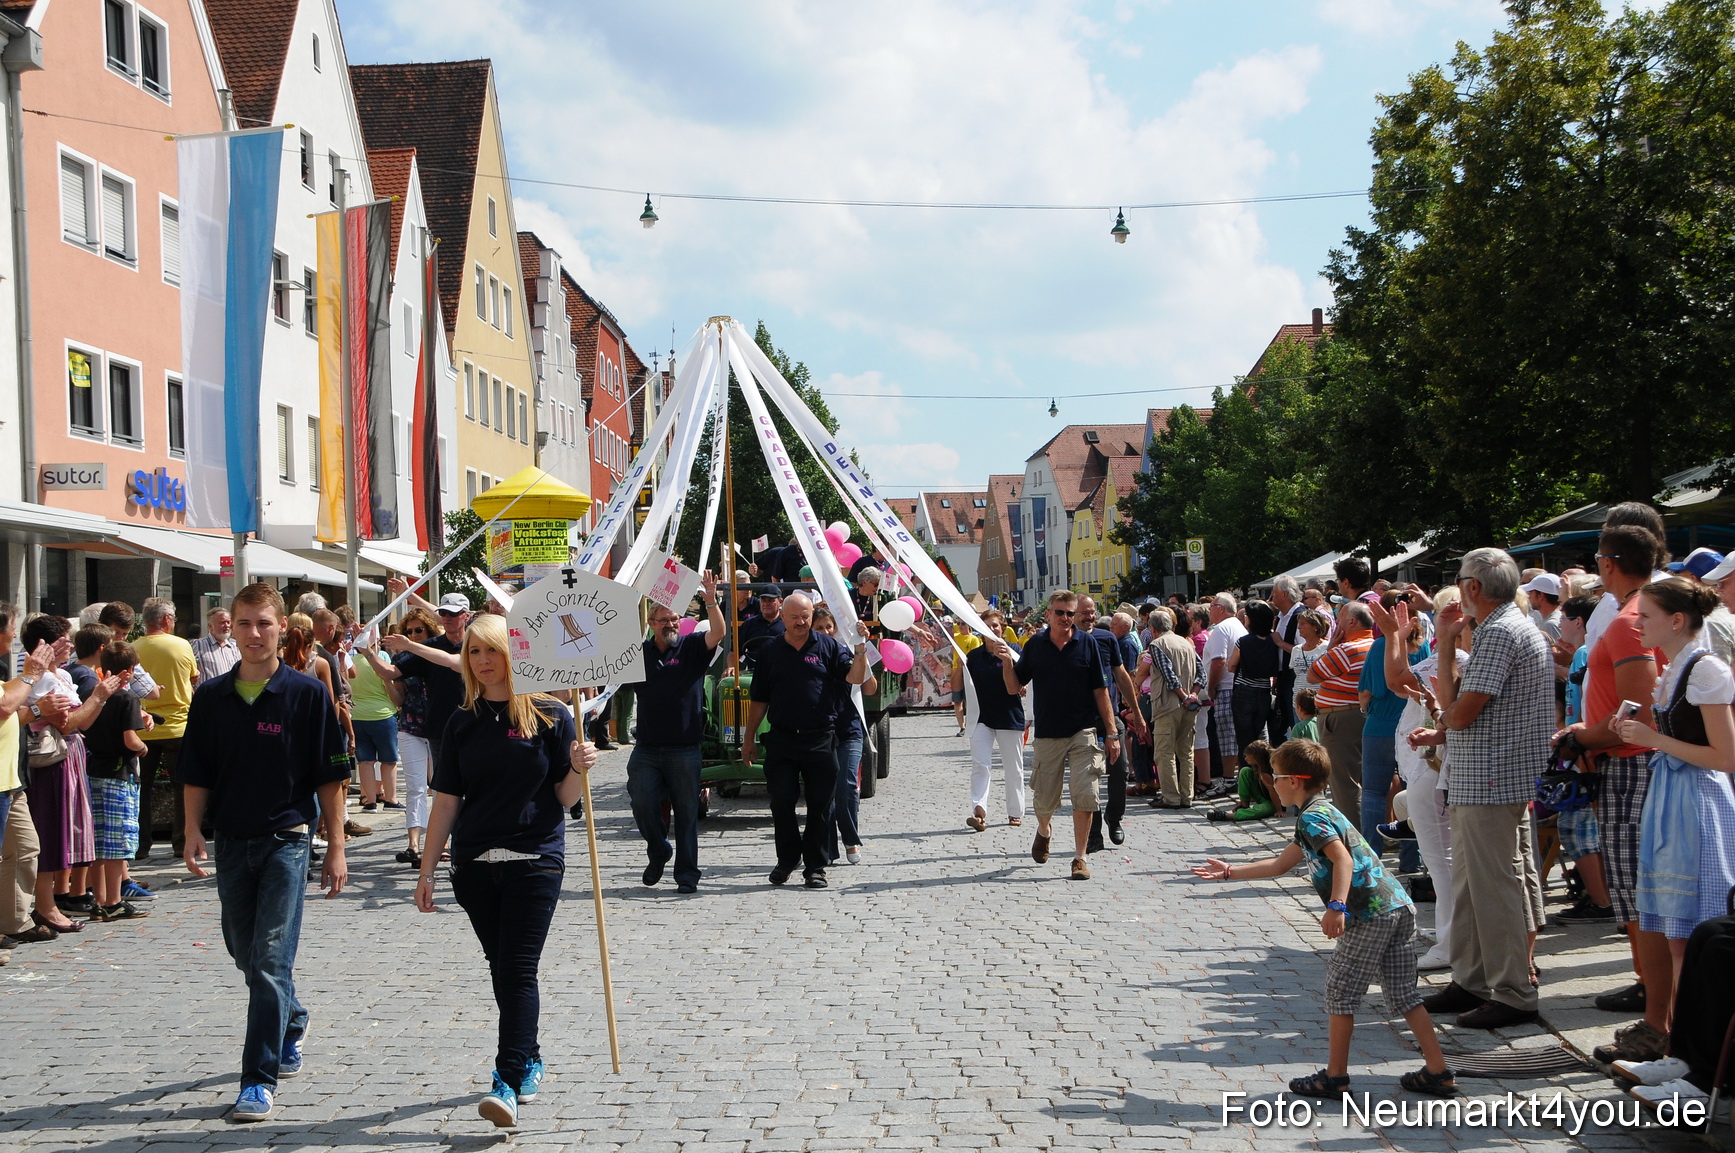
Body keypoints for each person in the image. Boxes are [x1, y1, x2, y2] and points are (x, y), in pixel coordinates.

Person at [1191, 738, 1455, 1099]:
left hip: (1369, 914)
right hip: (1396, 907)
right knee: (1404, 994)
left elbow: (1343, 860)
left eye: (1275, 776)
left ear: (1295, 780)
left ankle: (1335, 1077)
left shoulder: (1314, 818)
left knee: (1340, 994)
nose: (1271, 781)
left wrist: (1337, 906)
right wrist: (1229, 872)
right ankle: (1438, 1072)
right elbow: (1280, 865)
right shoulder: (1320, 812)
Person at [177, 583, 352, 1122]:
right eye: (245, 624)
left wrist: (337, 846)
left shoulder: (305, 694)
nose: (254, 635)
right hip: (230, 841)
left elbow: (330, 777)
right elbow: (196, 771)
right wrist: (190, 829)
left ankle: (258, 1079)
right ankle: (292, 1019)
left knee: (272, 957)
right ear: (231, 626)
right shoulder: (210, 697)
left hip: (287, 840)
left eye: (264, 624)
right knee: (244, 951)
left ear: (283, 629)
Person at [416, 613, 596, 1128]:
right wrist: (427, 870)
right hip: (474, 865)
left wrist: (579, 769)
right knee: (504, 972)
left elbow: (562, 798)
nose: (484, 661)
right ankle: (531, 1055)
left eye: (492, 650)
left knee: (517, 970)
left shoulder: (552, 714)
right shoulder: (460, 720)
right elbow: (447, 801)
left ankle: (507, 1077)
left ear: (516, 653)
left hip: (535, 859)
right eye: (475, 652)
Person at [1419, 548, 1552, 1031]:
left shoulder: (1498, 632)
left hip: (1489, 779)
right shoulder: (1513, 627)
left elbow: (1459, 711)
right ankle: (1472, 980)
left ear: (1474, 588)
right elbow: (1456, 709)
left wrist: (1444, 709)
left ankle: (1512, 991)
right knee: (1473, 886)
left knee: (1492, 888)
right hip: (1489, 776)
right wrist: (1447, 646)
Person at [1614, 580, 1735, 1028]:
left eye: (1646, 616)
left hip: (1699, 804)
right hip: (1673, 799)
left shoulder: (1705, 670)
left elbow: (1726, 757)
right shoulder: (1677, 667)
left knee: (1692, 934)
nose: (1637, 623)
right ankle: (1680, 1045)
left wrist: (1654, 739)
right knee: (1675, 934)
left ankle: (1691, 1051)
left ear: (1677, 620)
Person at [1572, 524, 1670, 1048]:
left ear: (1609, 563)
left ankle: (1658, 1021)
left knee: (1638, 894)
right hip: (1631, 762)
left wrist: (1579, 736)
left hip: (1631, 764)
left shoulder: (1632, 619)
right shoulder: (1640, 612)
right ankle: (1655, 1007)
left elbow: (1639, 708)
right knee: (1637, 893)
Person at [741, 592, 870, 889]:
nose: (801, 622)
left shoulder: (828, 646)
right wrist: (749, 738)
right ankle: (787, 859)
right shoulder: (771, 650)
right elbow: (759, 699)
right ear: (783, 618)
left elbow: (855, 678)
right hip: (782, 740)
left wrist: (861, 650)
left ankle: (815, 867)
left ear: (812, 615)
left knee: (820, 806)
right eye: (795, 617)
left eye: (806, 616)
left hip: (820, 739)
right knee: (781, 802)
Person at [988, 590, 1119, 882]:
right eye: (1059, 612)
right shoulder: (1036, 645)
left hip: (1082, 730)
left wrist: (1111, 732)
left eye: (1070, 613)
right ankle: (1044, 830)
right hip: (1048, 732)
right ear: (1048, 614)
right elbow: (1013, 687)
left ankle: (1080, 857)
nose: (1065, 618)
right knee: (1044, 800)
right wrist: (1008, 663)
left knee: (1086, 794)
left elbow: (1102, 691)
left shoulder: (1088, 644)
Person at [628, 574, 725, 894]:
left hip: (685, 748)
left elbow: (720, 632)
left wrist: (710, 599)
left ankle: (687, 874)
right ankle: (658, 849)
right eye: (664, 620)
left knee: (686, 814)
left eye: (674, 619)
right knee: (642, 802)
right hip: (647, 748)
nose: (670, 624)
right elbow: (606, 662)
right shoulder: (637, 653)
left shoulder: (693, 647)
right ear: (651, 623)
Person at [363, 609, 440, 867]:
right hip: (411, 727)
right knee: (416, 787)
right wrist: (386, 680)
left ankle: (443, 842)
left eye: (419, 630)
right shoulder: (403, 659)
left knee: (441, 787)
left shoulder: (440, 654)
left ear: (429, 630)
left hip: (441, 729)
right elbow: (399, 700)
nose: (414, 635)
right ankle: (414, 845)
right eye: (409, 631)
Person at [1358, 591, 1429, 867]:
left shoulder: (1380, 645)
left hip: (1381, 726)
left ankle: (1370, 860)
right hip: (1413, 726)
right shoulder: (1423, 646)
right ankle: (1411, 859)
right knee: (1411, 793)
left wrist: (1365, 710)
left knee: (1374, 792)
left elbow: (1367, 691)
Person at [82, 640, 150, 922]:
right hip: (119, 775)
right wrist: (142, 748)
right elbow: (129, 739)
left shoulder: (94, 693)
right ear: (131, 669)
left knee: (98, 842)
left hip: (95, 769)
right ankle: (114, 901)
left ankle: (98, 899)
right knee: (116, 843)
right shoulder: (127, 698)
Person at [1076, 595, 1146, 852]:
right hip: (1081, 722)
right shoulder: (1066, 641)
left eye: (1092, 612)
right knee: (1088, 780)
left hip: (1111, 718)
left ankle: (1113, 818)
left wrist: (1136, 712)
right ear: (1073, 613)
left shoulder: (1107, 639)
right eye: (1084, 612)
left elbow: (1122, 677)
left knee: (1120, 770)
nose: (1090, 616)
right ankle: (1093, 834)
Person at [813, 605, 877, 866]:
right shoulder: (812, 655)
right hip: (821, 730)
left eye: (830, 626)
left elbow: (870, 688)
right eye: (820, 628)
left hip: (849, 727)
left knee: (847, 786)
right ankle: (827, 848)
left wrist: (861, 650)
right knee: (824, 791)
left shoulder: (848, 650)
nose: (826, 631)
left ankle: (850, 838)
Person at [134, 599, 195, 861]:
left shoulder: (132, 647)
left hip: (143, 727)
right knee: (183, 789)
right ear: (167, 620)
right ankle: (180, 844)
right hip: (178, 725)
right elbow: (193, 678)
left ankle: (140, 844)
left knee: (141, 789)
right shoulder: (181, 645)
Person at [959, 605, 1028, 829]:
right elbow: (965, 685)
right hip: (981, 717)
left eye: (995, 626)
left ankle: (1015, 812)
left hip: (1009, 716)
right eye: (987, 626)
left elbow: (1025, 680)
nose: (992, 629)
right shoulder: (974, 656)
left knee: (1013, 767)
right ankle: (979, 810)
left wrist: (1012, 667)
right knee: (980, 765)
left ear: (1002, 628)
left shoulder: (1015, 650)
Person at [1308, 601, 1375, 829]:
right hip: (1360, 714)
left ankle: (1354, 835)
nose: (1336, 621)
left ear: (1352, 622)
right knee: (1367, 779)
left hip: (1339, 718)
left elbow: (1313, 674)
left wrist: (1330, 649)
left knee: (1344, 782)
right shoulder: (1373, 644)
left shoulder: (1346, 649)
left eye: (1340, 616)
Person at [1142, 607, 1203, 810]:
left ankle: (1171, 797)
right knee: (1186, 752)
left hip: (1168, 705)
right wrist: (1193, 694)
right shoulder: (1186, 643)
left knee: (1164, 752)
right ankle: (1187, 795)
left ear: (1152, 628)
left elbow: (1168, 674)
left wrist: (1183, 696)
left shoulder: (1157, 644)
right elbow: (1200, 672)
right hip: (1189, 706)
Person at [347, 630, 401, 813]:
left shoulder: (352, 663)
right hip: (382, 714)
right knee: (389, 760)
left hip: (358, 715)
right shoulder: (380, 662)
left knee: (365, 761)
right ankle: (391, 799)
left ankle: (369, 801)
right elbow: (390, 686)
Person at [1201, 594, 1248, 798]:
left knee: (1227, 734)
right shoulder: (1236, 625)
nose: (1209, 610)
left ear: (1220, 608)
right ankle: (1232, 776)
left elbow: (1219, 661)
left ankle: (1229, 779)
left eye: (1211, 606)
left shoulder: (1222, 628)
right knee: (1231, 734)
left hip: (1225, 687)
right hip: (1234, 685)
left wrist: (1211, 686)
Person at [1228, 600, 1280, 768]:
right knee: (1259, 737)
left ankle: (1247, 776)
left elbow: (1231, 666)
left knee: (1244, 739)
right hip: (1264, 691)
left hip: (1244, 691)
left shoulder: (1243, 641)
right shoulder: (1273, 640)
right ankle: (1263, 773)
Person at [1270, 576, 1303, 742]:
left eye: (1274, 592)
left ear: (1284, 594)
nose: (1272, 596)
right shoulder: (1282, 617)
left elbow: (1305, 650)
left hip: (1296, 678)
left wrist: (1280, 643)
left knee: (1295, 721)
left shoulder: (1300, 616)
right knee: (1282, 723)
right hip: (1283, 677)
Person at [191, 606, 240, 684]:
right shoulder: (197, 645)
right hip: (208, 695)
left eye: (228, 622)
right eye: (222, 622)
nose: (227, 625)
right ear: (210, 626)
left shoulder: (235, 648)